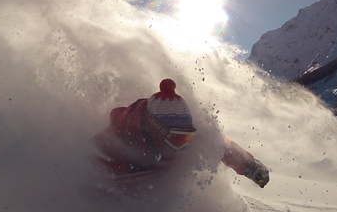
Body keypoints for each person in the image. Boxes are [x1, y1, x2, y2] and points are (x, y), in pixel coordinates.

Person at [95, 79, 269, 187]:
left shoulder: (176, 138)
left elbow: (218, 144)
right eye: (178, 138)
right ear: (154, 130)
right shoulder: (111, 148)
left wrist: (248, 165)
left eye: (186, 136)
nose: (184, 145)